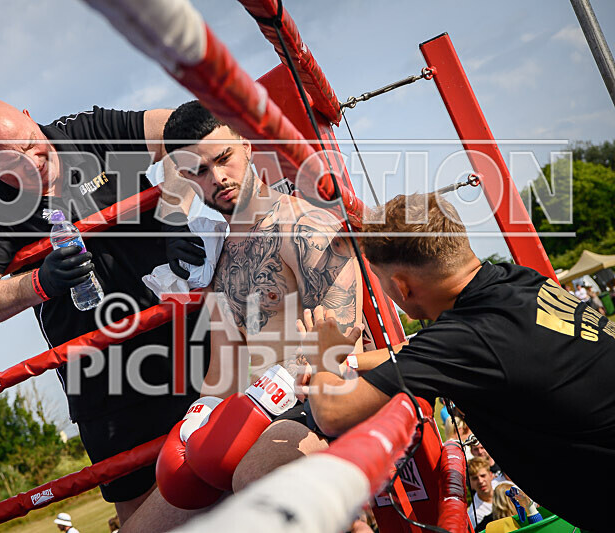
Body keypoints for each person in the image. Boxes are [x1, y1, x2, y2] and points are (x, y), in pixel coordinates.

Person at [0, 99, 208, 523]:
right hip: (106, 382)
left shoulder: (88, 131)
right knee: (144, 515)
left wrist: (174, 212)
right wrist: (36, 283)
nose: (33, 164)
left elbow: (188, 129)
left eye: (32, 145)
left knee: (234, 467)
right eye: (12, 164)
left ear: (31, 118)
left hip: (188, 344)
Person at [293, 193, 615, 531]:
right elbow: (421, 350)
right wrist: (354, 360)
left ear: (401, 287)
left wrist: (323, 357)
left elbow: (332, 414)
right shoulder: (515, 282)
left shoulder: (466, 336)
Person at [119, 101, 371, 531]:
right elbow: (225, 366)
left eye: (223, 159)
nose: (217, 178)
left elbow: (343, 338)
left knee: (253, 477)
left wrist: (274, 391)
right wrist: (201, 413)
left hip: (319, 401)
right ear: (184, 177)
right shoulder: (216, 257)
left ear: (246, 145)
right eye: (198, 171)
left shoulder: (304, 227)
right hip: (249, 415)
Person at [466, 456, 500, 530]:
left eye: (483, 476)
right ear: (470, 484)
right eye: (475, 478)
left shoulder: (505, 487)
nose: (480, 481)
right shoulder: (474, 515)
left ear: (491, 475)